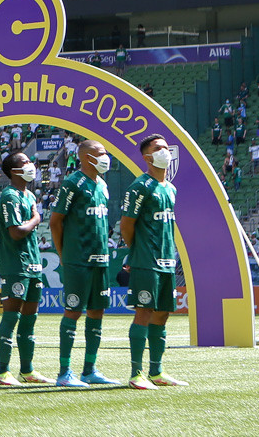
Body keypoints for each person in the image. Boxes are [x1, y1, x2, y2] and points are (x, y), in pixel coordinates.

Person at [50, 140, 118, 387]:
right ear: (87, 157)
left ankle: (90, 369)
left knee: (97, 311)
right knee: (73, 311)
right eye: (101, 153)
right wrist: (64, 254)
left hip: (101, 259)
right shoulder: (72, 183)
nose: (105, 157)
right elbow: (56, 221)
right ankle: (65, 372)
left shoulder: (103, 185)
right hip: (78, 259)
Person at [123, 135, 188, 389]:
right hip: (146, 261)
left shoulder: (170, 188)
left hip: (167, 261)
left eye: (165, 147)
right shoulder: (140, 186)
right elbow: (127, 225)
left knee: (162, 315)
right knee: (144, 312)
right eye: (158, 148)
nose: (164, 151)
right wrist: (138, 252)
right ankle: (136, 374)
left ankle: (156, 372)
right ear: (147, 157)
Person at [0, 152, 48, 385]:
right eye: (24, 163)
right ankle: (3, 371)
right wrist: (37, 218)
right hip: (16, 265)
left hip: (33, 263)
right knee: (11, 316)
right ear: (13, 171)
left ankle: (27, 370)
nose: (31, 166)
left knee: (30, 318)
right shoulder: (9, 196)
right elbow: (15, 232)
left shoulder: (29, 195)